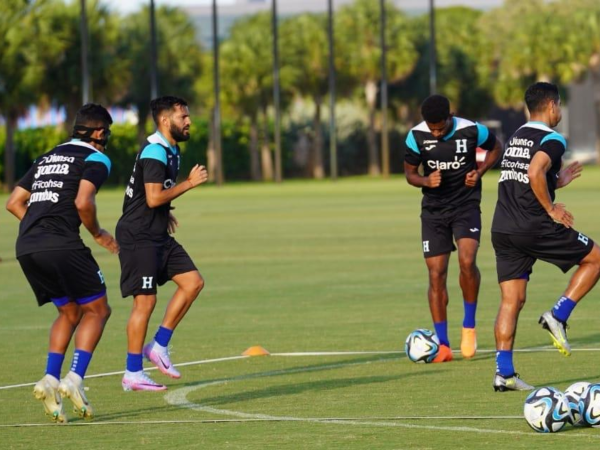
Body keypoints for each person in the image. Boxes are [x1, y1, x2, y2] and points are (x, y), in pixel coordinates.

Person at [5, 104, 118, 423]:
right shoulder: (96, 158)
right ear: (99, 133)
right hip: (62, 244)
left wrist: (40, 229)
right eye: (105, 132)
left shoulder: (46, 157)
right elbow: (83, 201)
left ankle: (50, 379)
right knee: (98, 310)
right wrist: (97, 233)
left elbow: (13, 203)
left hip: (26, 245)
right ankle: (74, 380)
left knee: (69, 312)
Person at [491, 81, 600, 391]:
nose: (560, 111)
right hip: (533, 226)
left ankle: (504, 373)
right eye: (560, 106)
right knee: (595, 259)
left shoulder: (517, 136)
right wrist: (551, 207)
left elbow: (528, 177)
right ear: (552, 106)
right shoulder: (552, 139)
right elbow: (534, 173)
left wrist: (557, 181)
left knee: (511, 300)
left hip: (503, 227)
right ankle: (558, 315)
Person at [117, 96, 208, 391]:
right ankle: (132, 372)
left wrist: (164, 215)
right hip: (138, 236)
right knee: (145, 301)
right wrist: (190, 184)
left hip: (156, 234)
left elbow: (153, 199)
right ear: (166, 121)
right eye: (184, 117)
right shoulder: (155, 151)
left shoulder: (172, 150)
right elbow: (154, 196)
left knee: (193, 282)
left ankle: (158, 346)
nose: (189, 121)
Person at [404, 94, 502, 362]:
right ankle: (444, 345)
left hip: (466, 206)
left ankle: (468, 326)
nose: (435, 132)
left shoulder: (471, 129)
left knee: (467, 261)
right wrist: (425, 180)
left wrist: (479, 172)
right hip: (434, 212)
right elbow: (410, 173)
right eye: (431, 128)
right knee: (436, 274)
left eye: (440, 127)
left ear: (450, 117)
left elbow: (497, 148)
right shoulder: (415, 136)